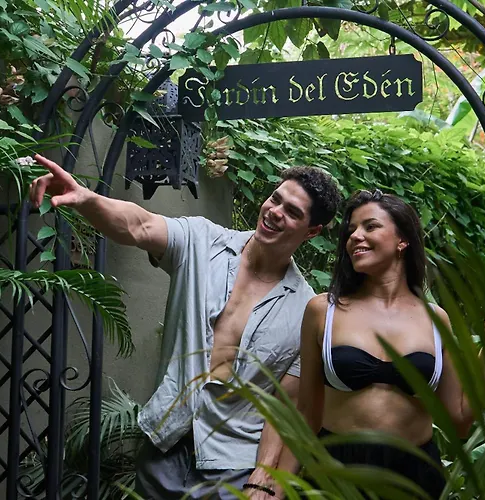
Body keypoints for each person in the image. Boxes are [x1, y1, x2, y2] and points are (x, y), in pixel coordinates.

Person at [28, 154, 342, 499]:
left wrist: (265, 478)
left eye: (292, 212)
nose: (275, 212)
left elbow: (286, 407)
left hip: (233, 464)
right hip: (165, 443)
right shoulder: (201, 241)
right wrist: (87, 199)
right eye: (275, 198)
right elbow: (140, 225)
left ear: (312, 231)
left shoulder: (305, 310)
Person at [272, 189, 485, 499]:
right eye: (351, 229)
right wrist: (277, 487)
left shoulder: (435, 319)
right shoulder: (323, 311)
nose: (355, 236)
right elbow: (306, 414)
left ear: (402, 240)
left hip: (414, 479)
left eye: (370, 226)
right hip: (336, 475)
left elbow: (460, 423)